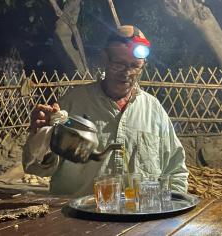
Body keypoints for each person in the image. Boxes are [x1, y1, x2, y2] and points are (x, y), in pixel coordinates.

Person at [23, 25, 189, 197]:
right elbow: (36, 167)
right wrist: (41, 137)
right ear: (103, 59)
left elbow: (175, 170)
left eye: (135, 66)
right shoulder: (73, 103)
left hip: (139, 219)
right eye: (119, 64)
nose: (127, 73)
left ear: (143, 65)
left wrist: (172, 208)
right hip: (78, 219)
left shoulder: (154, 110)